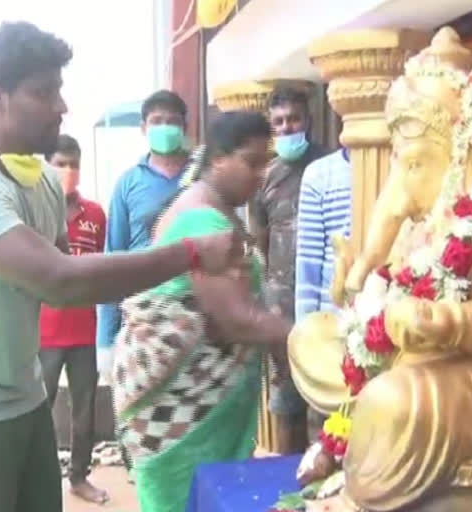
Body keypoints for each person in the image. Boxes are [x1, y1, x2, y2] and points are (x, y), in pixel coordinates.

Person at [0, 22, 246, 512]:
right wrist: (190, 253)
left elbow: (69, 269)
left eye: (59, 90)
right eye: (43, 93)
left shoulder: (43, 180)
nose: (61, 106)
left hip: (25, 400)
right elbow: (61, 280)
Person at [114, 111, 292, 512]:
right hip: (182, 408)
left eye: (267, 163)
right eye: (252, 162)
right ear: (217, 160)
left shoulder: (219, 209)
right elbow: (235, 319)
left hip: (207, 403)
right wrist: (304, 338)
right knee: (186, 500)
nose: (261, 174)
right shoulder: (200, 218)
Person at [248, 87, 327, 454]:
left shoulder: (328, 165)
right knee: (284, 398)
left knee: (326, 394)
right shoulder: (264, 175)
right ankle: (284, 478)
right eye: (278, 122)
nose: (287, 127)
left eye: (293, 119)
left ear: (307, 120)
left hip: (325, 297)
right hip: (281, 302)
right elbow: (259, 240)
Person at [96, 90, 190, 378]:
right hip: (143, 319)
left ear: (185, 127)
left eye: (172, 121)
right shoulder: (128, 183)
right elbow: (114, 258)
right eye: (156, 121)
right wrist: (105, 340)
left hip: (194, 315)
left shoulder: (202, 175)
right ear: (143, 128)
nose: (164, 128)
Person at [37, 134, 108, 504]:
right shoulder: (31, 211)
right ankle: (38, 478)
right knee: (37, 412)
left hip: (84, 331)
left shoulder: (95, 214)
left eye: (74, 164)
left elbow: (102, 268)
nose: (68, 171)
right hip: (43, 333)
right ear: (45, 165)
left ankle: (79, 477)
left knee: (85, 413)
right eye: (60, 163)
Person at [294, 147, 352, 442]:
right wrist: (307, 332)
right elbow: (309, 260)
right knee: (329, 428)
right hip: (333, 321)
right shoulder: (319, 173)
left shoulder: (405, 162)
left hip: (384, 316)